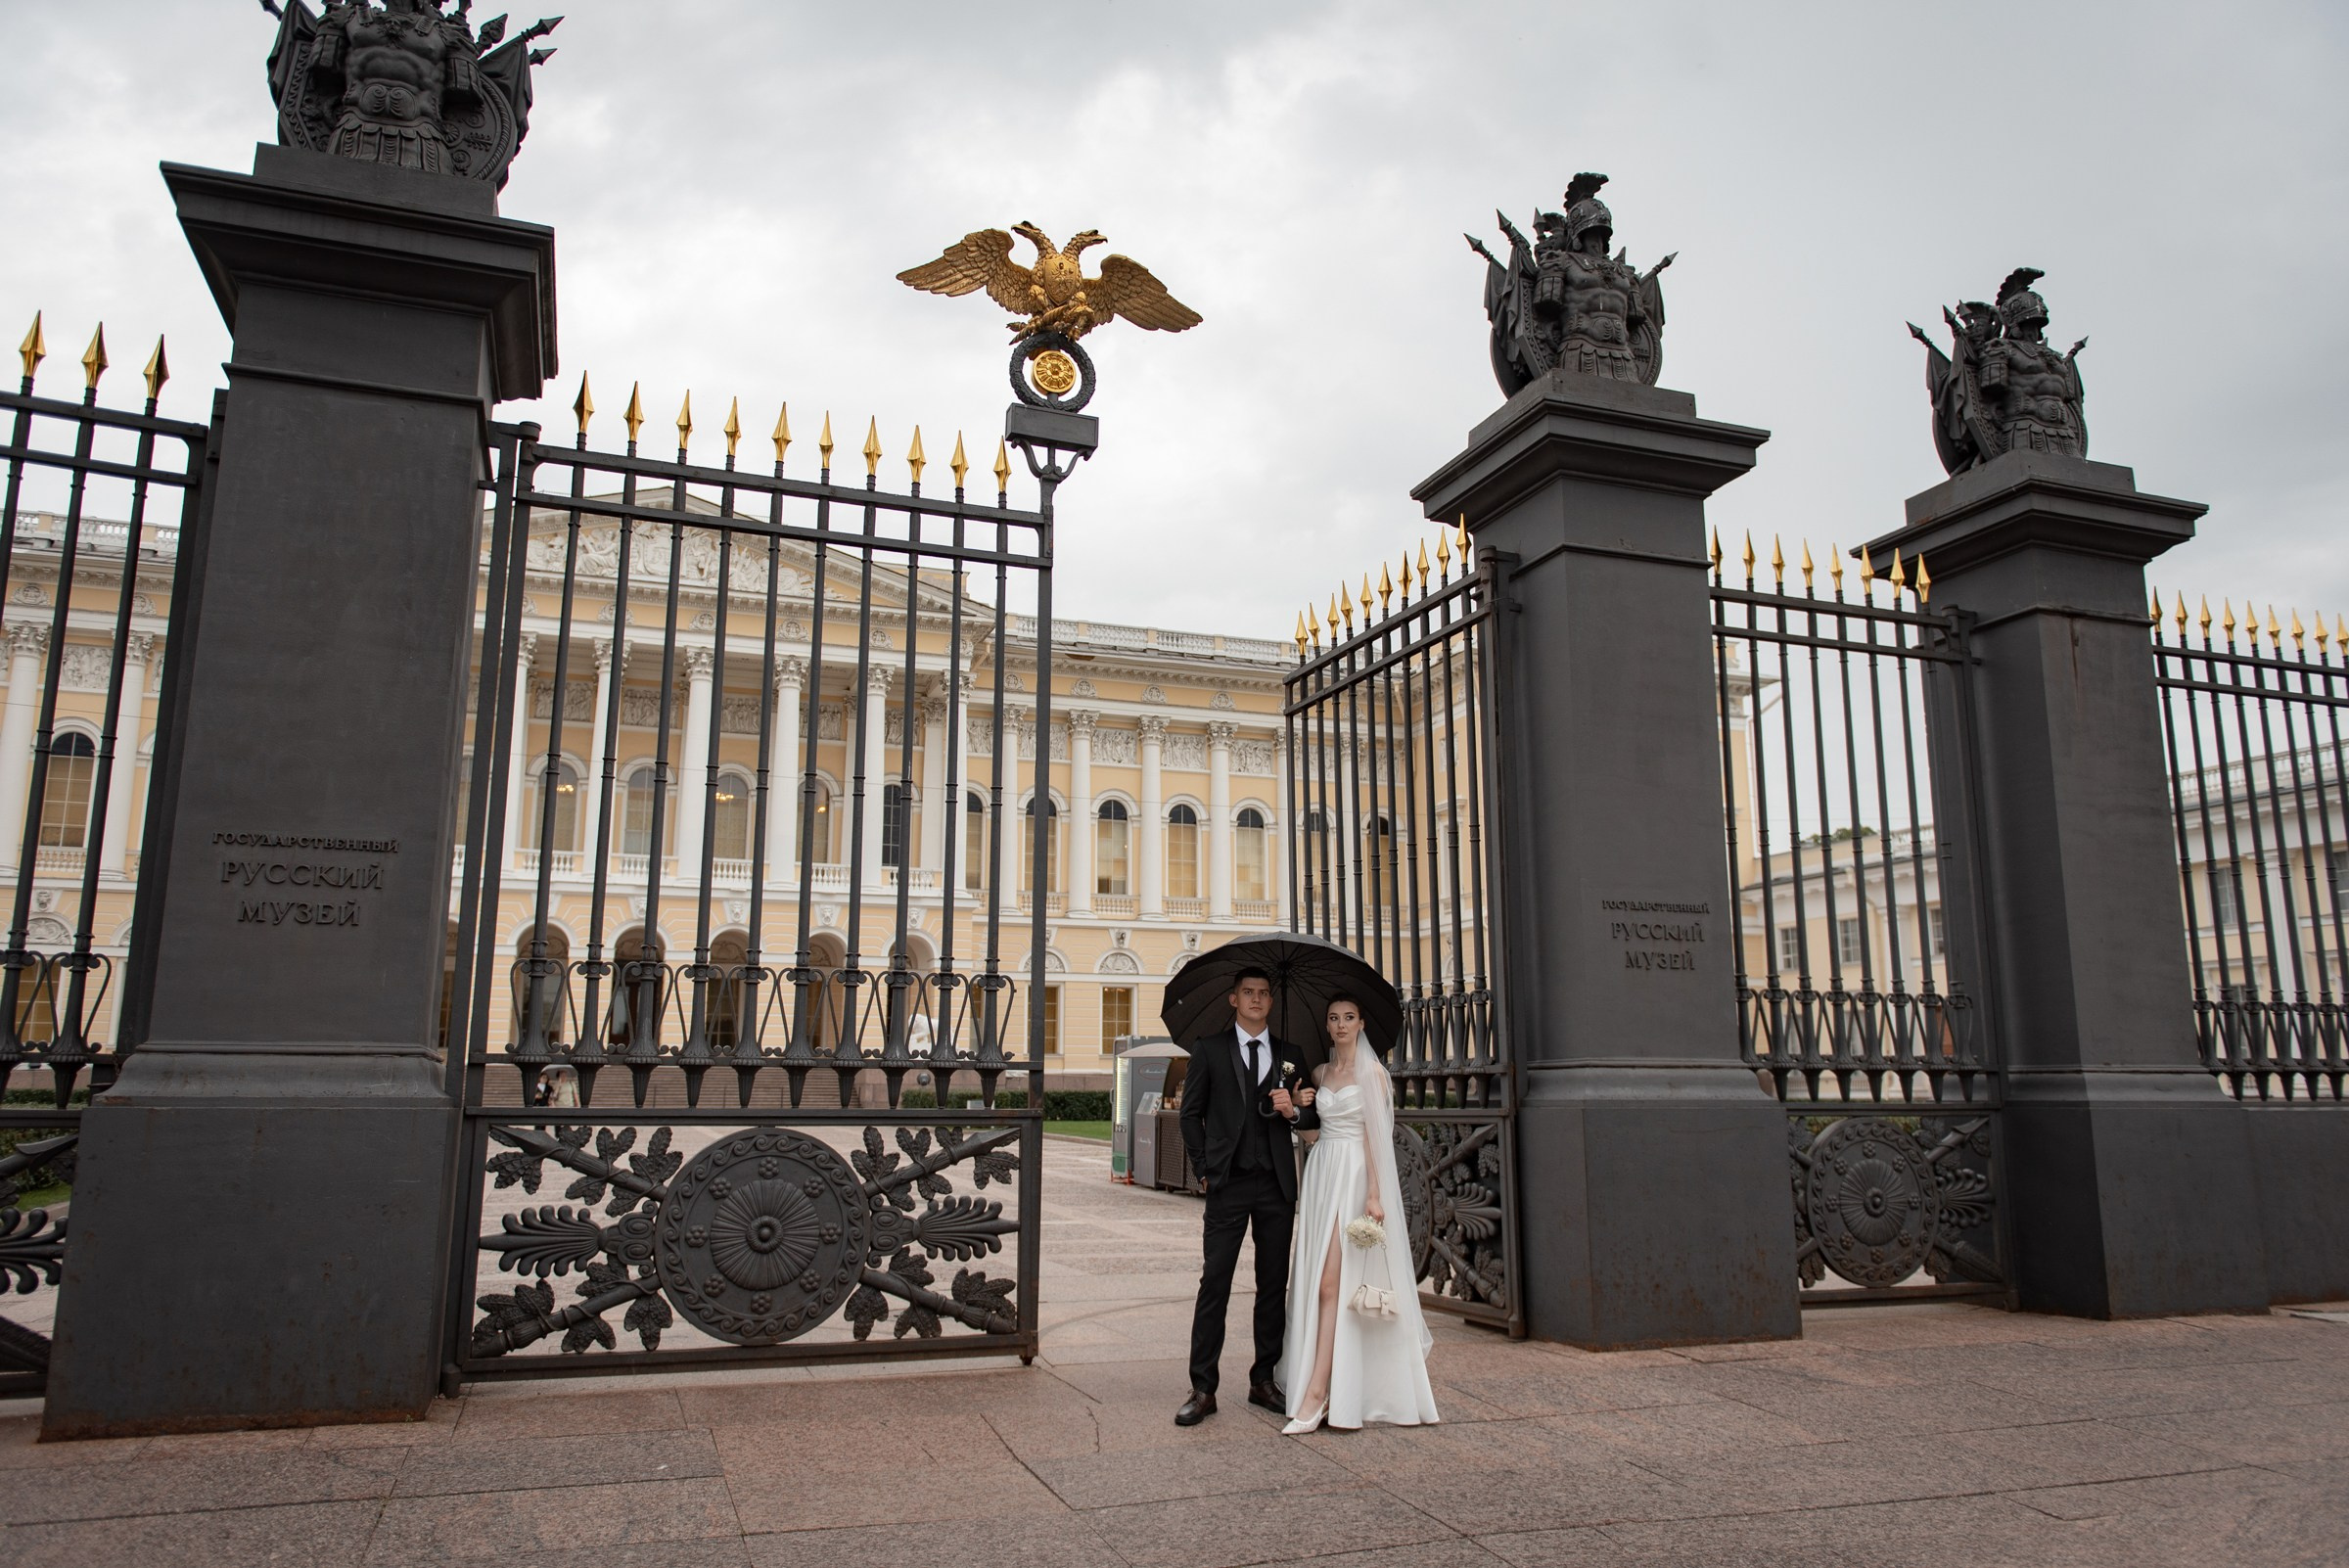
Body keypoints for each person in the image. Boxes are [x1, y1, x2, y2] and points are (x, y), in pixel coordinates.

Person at [1275, 993, 1439, 1433]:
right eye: (1334, 1018)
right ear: (1328, 1026)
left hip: (1354, 1177)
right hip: (1322, 1172)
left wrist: (1374, 1194)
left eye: (1349, 1017)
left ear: (1361, 1024)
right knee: (1319, 1281)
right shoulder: (1319, 1074)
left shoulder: (1374, 1075)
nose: (1341, 1024)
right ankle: (1327, 1388)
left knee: (1332, 1283)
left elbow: (1375, 1138)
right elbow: (1314, 1136)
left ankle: (1317, 1394)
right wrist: (1293, 1111)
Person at [1174, 968, 1318, 1426]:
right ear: (1233, 999)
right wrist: (1203, 1170)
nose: (1256, 999)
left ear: (1271, 1002)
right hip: (1227, 1183)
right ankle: (1203, 1388)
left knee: (1273, 1284)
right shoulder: (1210, 1049)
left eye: (1264, 993)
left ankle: (1263, 1380)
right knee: (1214, 1282)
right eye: (1248, 992)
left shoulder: (1290, 1055)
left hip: (1276, 1185)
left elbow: (1311, 1119)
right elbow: (1190, 1115)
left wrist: (1292, 1111)